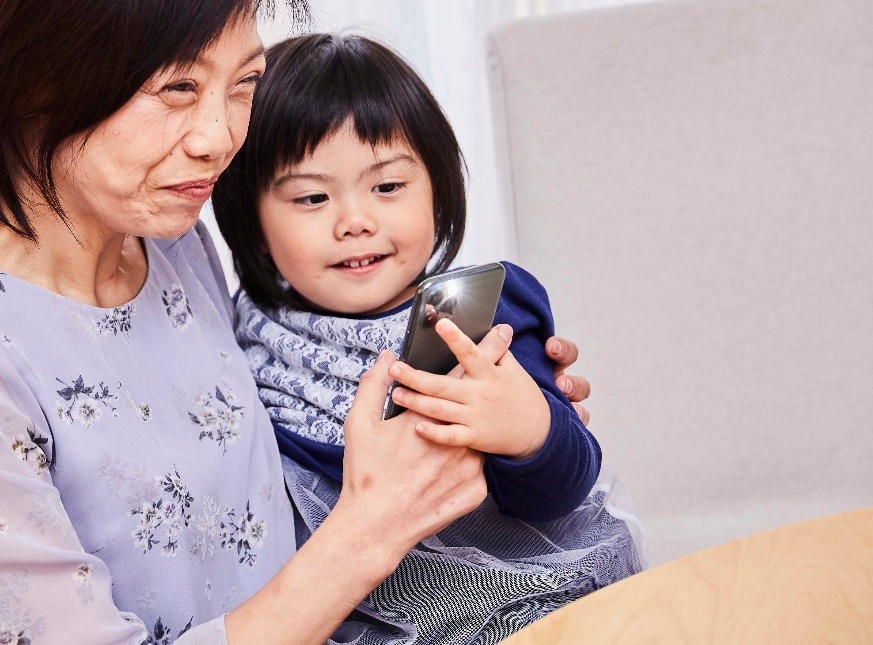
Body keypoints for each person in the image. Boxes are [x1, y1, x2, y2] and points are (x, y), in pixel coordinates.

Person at [0, 0, 592, 645]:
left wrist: (518, 418)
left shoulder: (166, 242)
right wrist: (367, 530)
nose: (219, 138)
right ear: (33, 82)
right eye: (177, 89)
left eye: (243, 84)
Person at [211, 33, 646, 644]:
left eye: (387, 187)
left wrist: (529, 433)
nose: (355, 221)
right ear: (252, 223)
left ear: (436, 192)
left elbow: (562, 491)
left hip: (526, 606)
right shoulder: (239, 340)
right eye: (312, 197)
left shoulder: (479, 312)